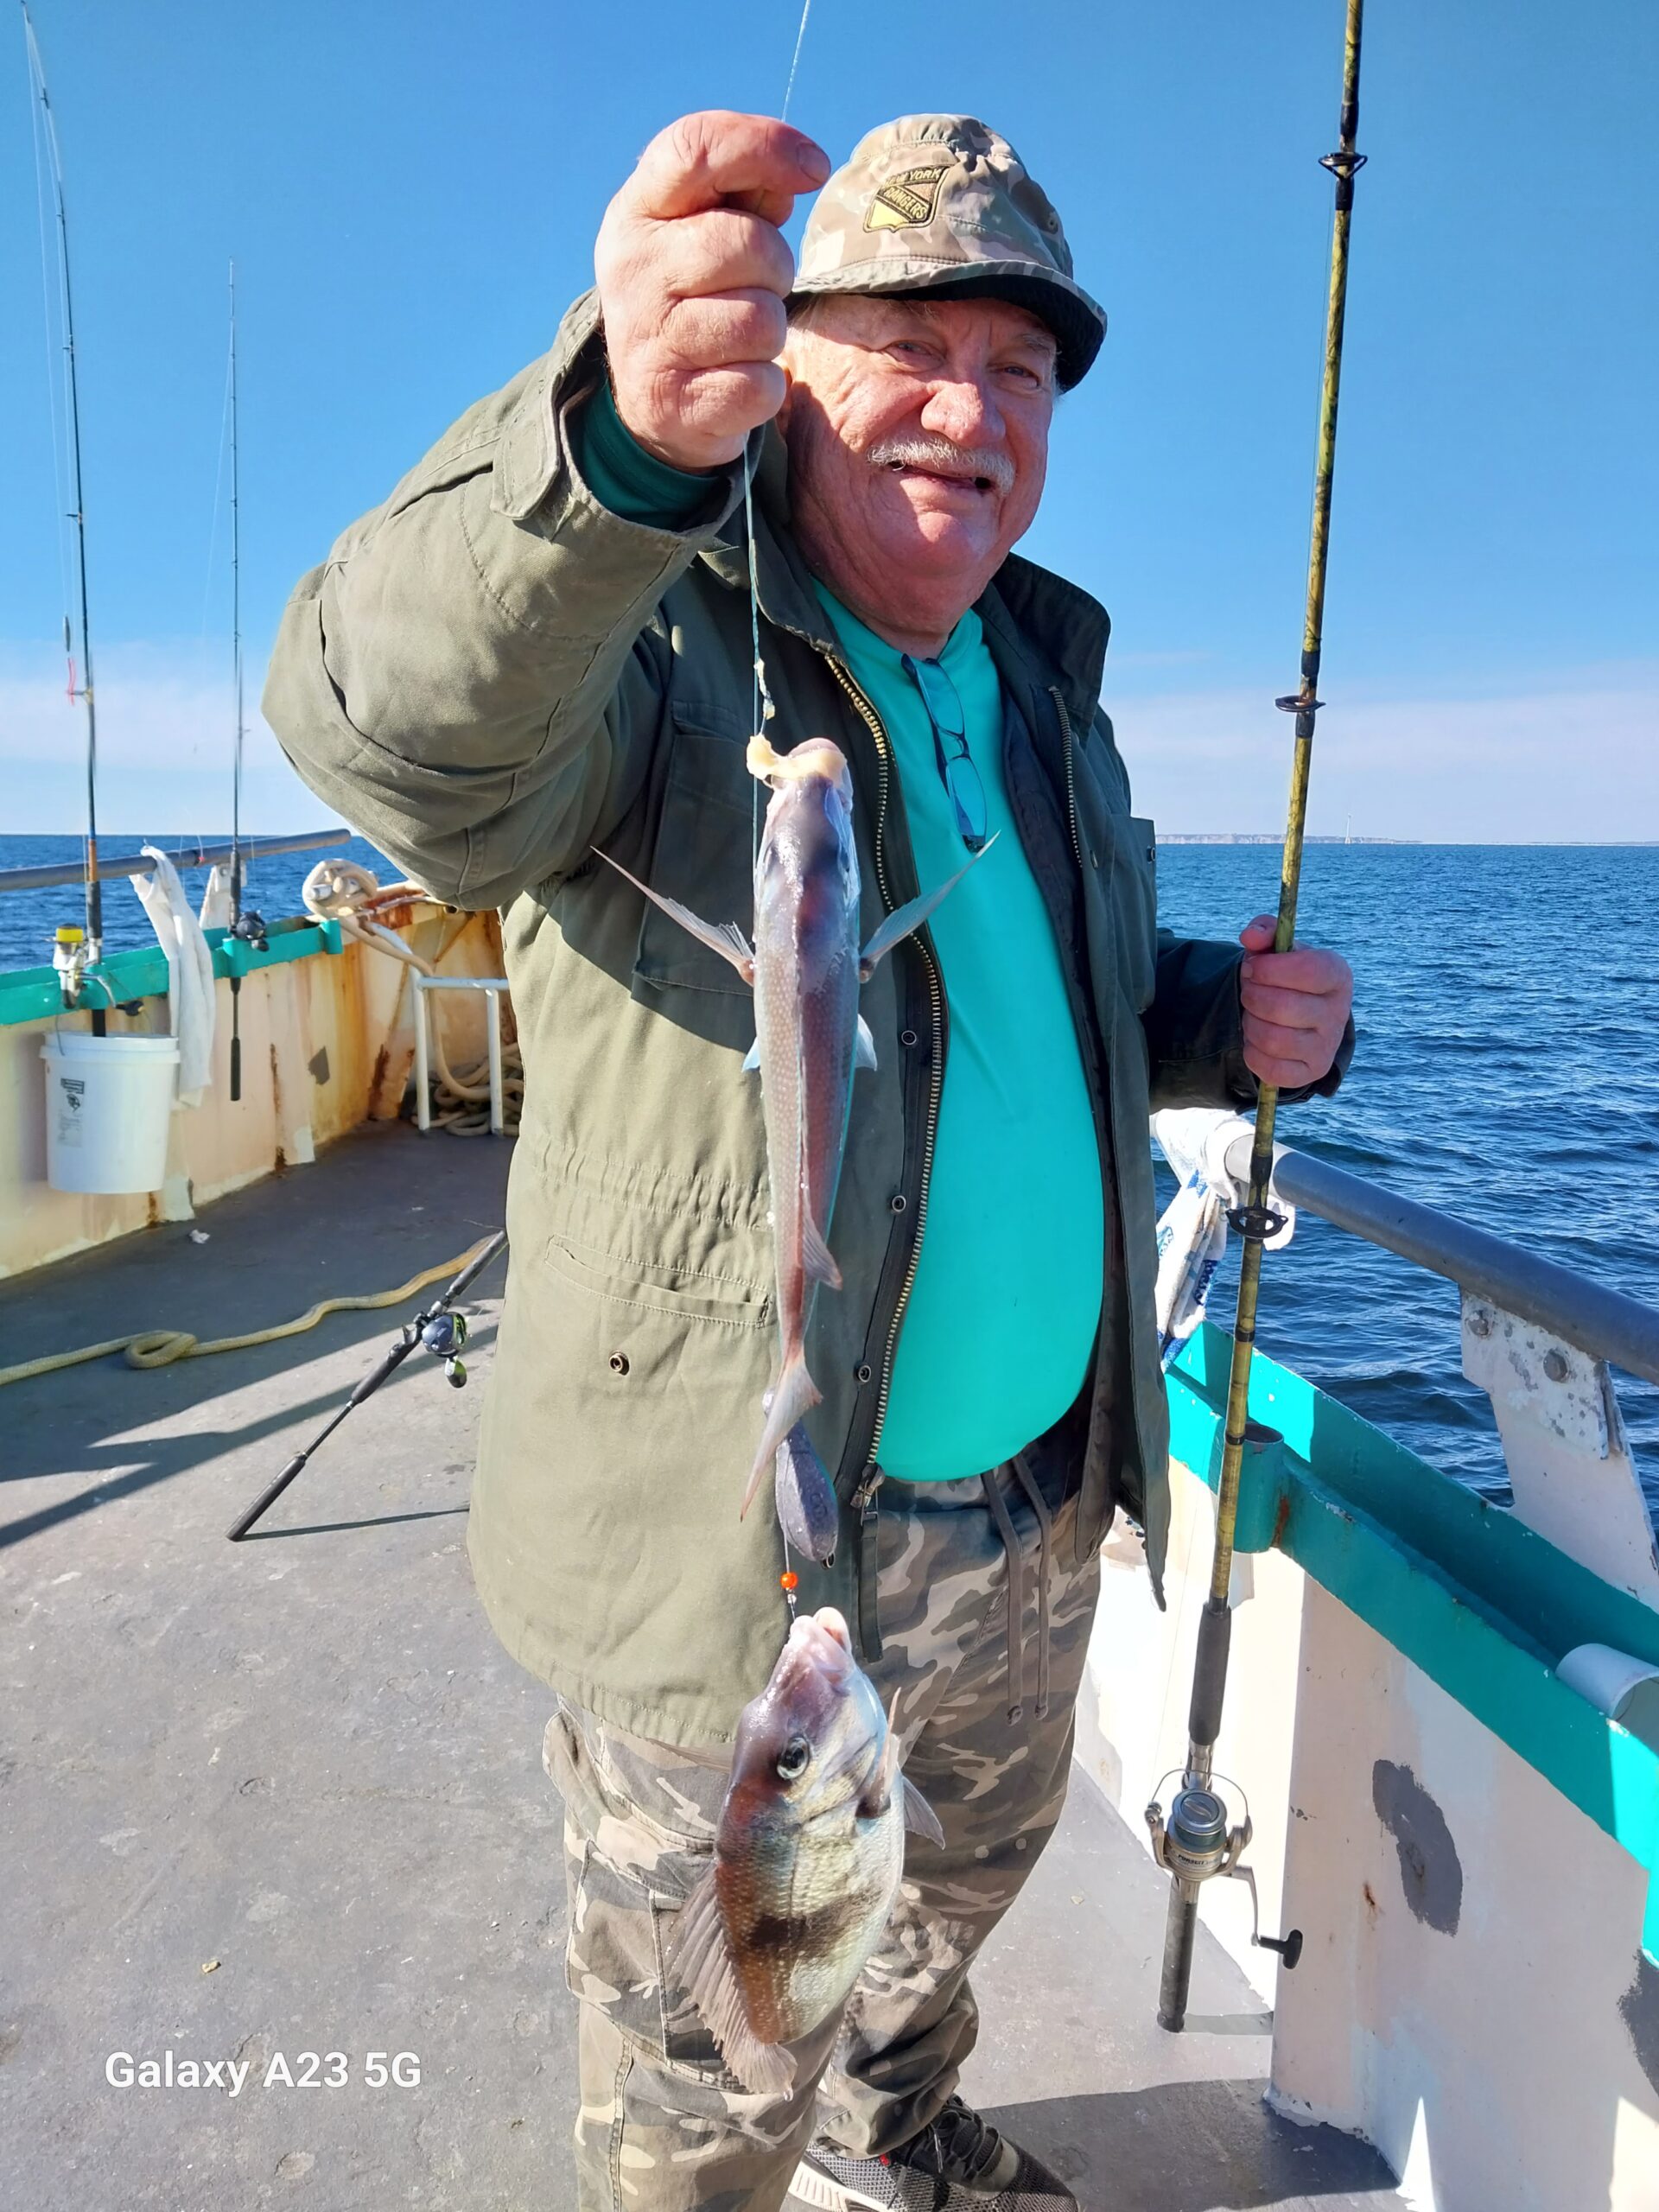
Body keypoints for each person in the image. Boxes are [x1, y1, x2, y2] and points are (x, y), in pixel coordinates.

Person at [266, 111, 1355, 2212]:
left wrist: (1218, 1013)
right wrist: (603, 448)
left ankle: (903, 2130)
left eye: (1019, 370)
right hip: (743, 1568)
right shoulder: (651, 636)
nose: (970, 408)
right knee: (713, 2055)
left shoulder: (1042, 673)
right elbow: (394, 733)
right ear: (783, 360)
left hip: (1035, 1506)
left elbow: (1038, 995)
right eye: (908, 345)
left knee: (939, 1913)